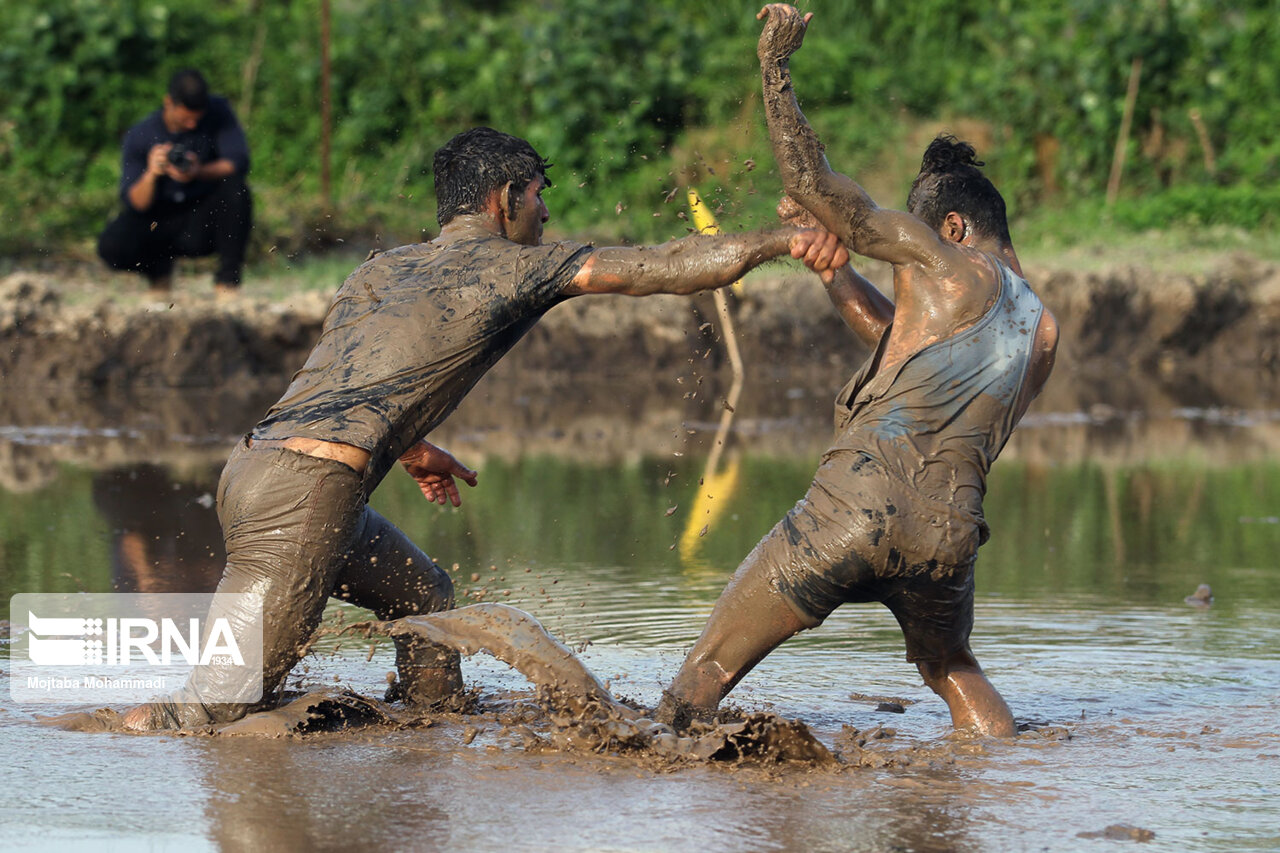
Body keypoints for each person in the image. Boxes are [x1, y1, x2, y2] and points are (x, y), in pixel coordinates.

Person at [121, 126, 847, 730]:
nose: (545, 218)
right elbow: (665, 264)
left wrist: (410, 446)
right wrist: (782, 241)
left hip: (257, 468)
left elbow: (346, 377)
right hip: (306, 496)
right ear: (506, 200)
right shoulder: (512, 266)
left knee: (426, 599)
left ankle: (427, 736)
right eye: (538, 200)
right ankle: (87, 768)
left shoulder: (383, 269)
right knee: (212, 711)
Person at [656, 5, 1059, 737]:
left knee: (708, 667)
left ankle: (651, 788)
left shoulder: (944, 259)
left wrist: (774, 73)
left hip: (854, 507)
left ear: (954, 229)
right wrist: (836, 273)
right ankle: (1010, 775)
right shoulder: (1042, 330)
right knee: (949, 668)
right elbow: (902, 346)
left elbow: (815, 184)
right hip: (947, 531)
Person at [97, 69, 252, 299]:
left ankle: (227, 282)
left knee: (236, 189)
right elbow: (134, 203)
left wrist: (199, 171)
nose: (191, 125)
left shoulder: (218, 111)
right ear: (168, 103)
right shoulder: (140, 134)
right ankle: (157, 274)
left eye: (196, 120)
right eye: (185, 118)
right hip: (159, 221)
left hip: (200, 220)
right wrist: (152, 173)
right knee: (112, 243)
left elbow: (238, 161)